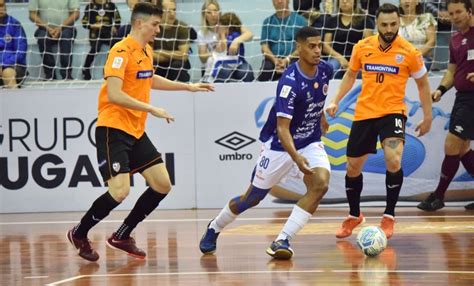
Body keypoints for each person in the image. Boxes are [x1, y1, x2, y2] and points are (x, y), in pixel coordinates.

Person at [66, 3, 214, 262]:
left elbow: (150, 79)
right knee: (119, 191)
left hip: (135, 130)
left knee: (162, 184)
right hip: (113, 128)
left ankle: (122, 235)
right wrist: (151, 108)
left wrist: (188, 87)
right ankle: (79, 233)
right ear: (139, 23)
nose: (159, 29)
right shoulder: (120, 51)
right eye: (155, 24)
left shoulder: (146, 50)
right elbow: (114, 93)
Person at [200, 27, 333, 260]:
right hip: (280, 147)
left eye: (319, 45)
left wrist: (320, 117)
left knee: (320, 184)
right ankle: (215, 226)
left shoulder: (325, 70)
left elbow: (317, 97)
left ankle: (282, 239)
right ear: (299, 48)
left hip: (310, 141)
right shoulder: (289, 82)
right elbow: (282, 130)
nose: (317, 50)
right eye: (311, 46)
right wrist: (296, 158)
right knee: (251, 198)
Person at [325, 3, 432, 240]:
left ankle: (389, 216)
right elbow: (350, 75)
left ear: (399, 23)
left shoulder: (409, 52)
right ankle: (354, 216)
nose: (389, 29)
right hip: (364, 113)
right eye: (384, 25)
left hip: (393, 113)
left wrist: (427, 117)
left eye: (394, 24)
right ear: (377, 24)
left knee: (393, 159)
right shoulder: (362, 47)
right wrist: (335, 100)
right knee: (352, 167)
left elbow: (423, 84)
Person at [417, 0, 474, 212]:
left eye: (459, 12)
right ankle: (439, 196)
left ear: (469, 11)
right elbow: (451, 72)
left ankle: (438, 196)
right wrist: (440, 90)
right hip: (463, 98)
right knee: (462, 148)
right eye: (451, 13)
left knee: (452, 145)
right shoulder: (455, 39)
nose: (455, 16)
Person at [197, 0, 253, 77]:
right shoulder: (202, 33)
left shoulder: (227, 22)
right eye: (209, 12)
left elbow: (249, 34)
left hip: (235, 61)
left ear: (219, 12)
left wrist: (236, 41)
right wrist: (216, 54)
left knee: (246, 72)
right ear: (204, 15)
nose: (213, 15)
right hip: (214, 63)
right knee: (224, 70)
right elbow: (202, 57)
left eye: (215, 11)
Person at [28, 0, 80, 80]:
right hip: (45, 28)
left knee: (66, 36)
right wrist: (48, 28)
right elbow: (32, 14)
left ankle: (66, 74)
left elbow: (76, 13)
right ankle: (50, 74)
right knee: (42, 37)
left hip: (66, 27)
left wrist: (60, 28)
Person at [258, 0, 308, 82]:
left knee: (297, 68)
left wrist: (287, 60)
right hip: (272, 60)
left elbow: (304, 45)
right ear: (273, 2)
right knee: (266, 69)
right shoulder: (267, 22)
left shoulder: (300, 21)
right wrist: (275, 60)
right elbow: (264, 46)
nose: (279, 1)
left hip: (294, 59)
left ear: (288, 1)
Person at [323, 0, 374, 79]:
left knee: (364, 71)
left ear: (355, 2)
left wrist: (354, 60)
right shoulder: (331, 21)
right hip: (337, 58)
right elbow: (326, 45)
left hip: (358, 58)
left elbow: (368, 45)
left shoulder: (365, 20)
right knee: (331, 68)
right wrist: (341, 59)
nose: (344, 1)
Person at [82, 0, 122, 80]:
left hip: (108, 32)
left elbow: (118, 20)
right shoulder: (90, 6)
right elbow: (84, 22)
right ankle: (86, 68)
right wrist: (93, 26)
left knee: (115, 47)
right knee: (95, 48)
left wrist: (115, 27)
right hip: (95, 33)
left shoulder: (111, 5)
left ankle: (108, 69)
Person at [153, 0, 192, 82]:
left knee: (177, 65)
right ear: (160, 12)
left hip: (177, 64)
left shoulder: (182, 27)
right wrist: (174, 54)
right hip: (158, 64)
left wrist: (161, 51)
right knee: (152, 65)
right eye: (168, 11)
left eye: (174, 10)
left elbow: (184, 55)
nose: (172, 13)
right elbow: (150, 54)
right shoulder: (153, 27)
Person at [399, 0, 437, 72]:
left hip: (422, 58)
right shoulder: (395, 20)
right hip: (399, 58)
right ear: (400, 3)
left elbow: (432, 41)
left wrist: (415, 56)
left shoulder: (426, 18)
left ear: (417, 2)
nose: (406, 1)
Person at [0, 0, 27, 88]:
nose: (1, 8)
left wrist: (3, 64)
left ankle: (17, 99)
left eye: (2, 5)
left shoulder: (15, 24)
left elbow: (21, 53)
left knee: (7, 72)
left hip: (14, 66)